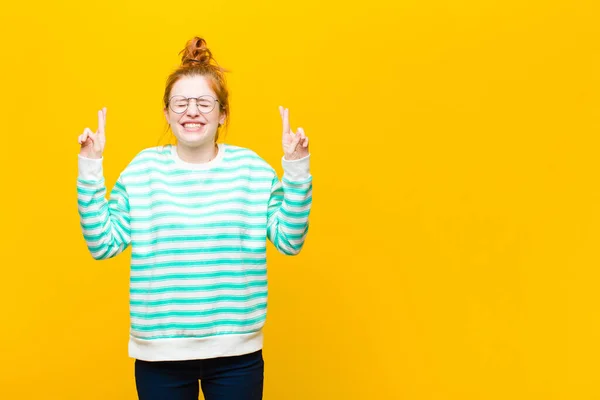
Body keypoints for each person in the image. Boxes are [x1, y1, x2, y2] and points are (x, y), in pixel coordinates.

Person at [76, 36, 312, 400]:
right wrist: (91, 167)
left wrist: (296, 169)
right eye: (181, 103)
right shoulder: (143, 170)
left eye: (204, 103)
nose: (192, 112)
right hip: (159, 354)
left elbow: (290, 240)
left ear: (223, 114)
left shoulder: (250, 169)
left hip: (237, 355)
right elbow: (102, 244)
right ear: (167, 114)